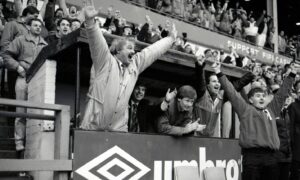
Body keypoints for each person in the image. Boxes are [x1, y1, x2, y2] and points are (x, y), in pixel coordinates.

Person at [80, 0, 177, 131]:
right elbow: (97, 42)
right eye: (130, 48)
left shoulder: (134, 66)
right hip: (92, 128)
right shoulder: (105, 61)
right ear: (118, 50)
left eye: (134, 49)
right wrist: (91, 22)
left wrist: (170, 40)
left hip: (118, 131)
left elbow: (151, 51)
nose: (134, 51)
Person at [210, 61, 296, 180]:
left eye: (263, 96)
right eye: (257, 96)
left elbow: (282, 94)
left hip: (271, 157)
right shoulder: (245, 109)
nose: (261, 97)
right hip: (252, 157)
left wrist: (292, 74)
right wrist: (219, 73)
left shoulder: (272, 109)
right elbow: (231, 92)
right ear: (250, 100)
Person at [2, 18, 48, 154]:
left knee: (36, 112)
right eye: (35, 25)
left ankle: (32, 143)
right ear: (29, 27)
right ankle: (19, 142)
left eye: (40, 26)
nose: (38, 28)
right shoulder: (21, 40)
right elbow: (5, 54)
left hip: (38, 79)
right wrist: (17, 67)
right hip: (23, 77)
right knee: (21, 110)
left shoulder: (45, 44)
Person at [288, 80, 300, 180]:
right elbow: (290, 125)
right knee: (295, 171)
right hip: (296, 141)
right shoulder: (293, 106)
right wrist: (291, 141)